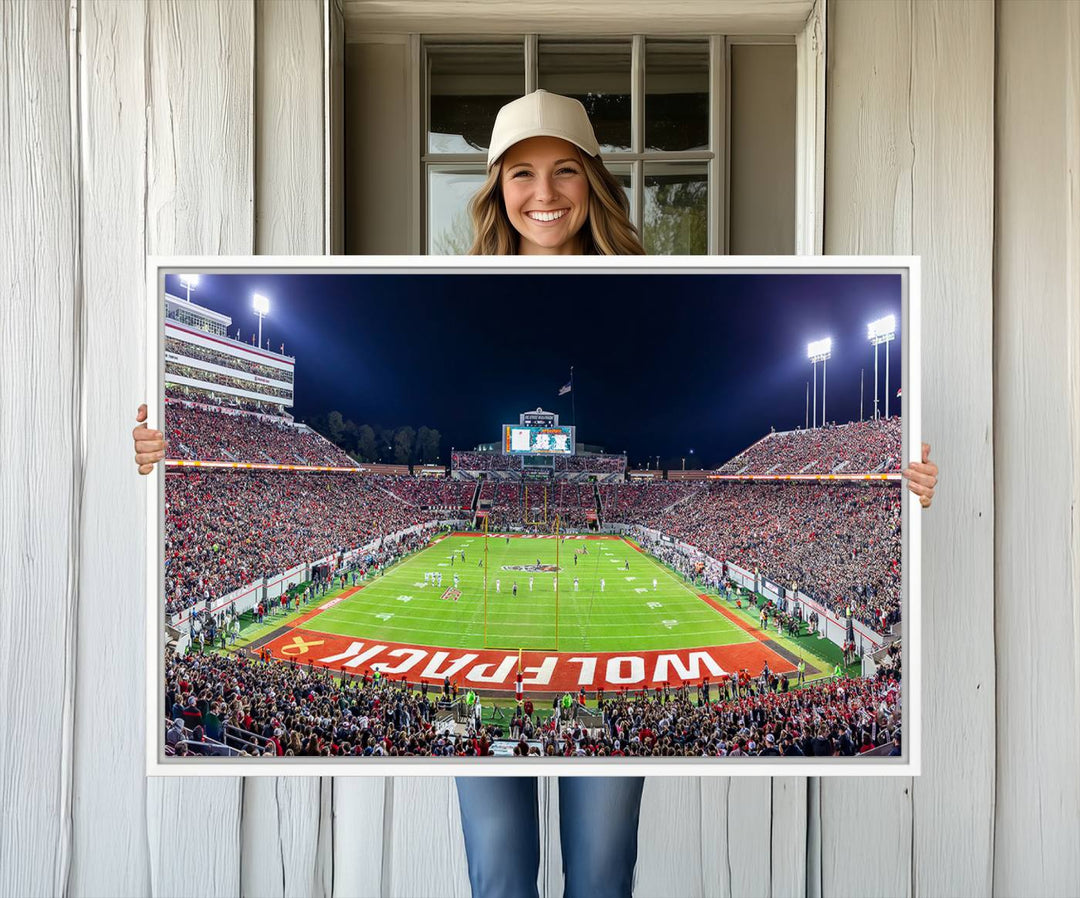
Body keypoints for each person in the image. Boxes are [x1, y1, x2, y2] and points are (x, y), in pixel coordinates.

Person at [132, 88, 939, 898]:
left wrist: (902, 484)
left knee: (599, 874)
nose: (543, 194)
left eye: (563, 172)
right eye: (521, 173)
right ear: (495, 189)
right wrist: (162, 453)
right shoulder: (456, 274)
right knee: (500, 875)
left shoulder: (647, 276)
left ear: (593, 180)